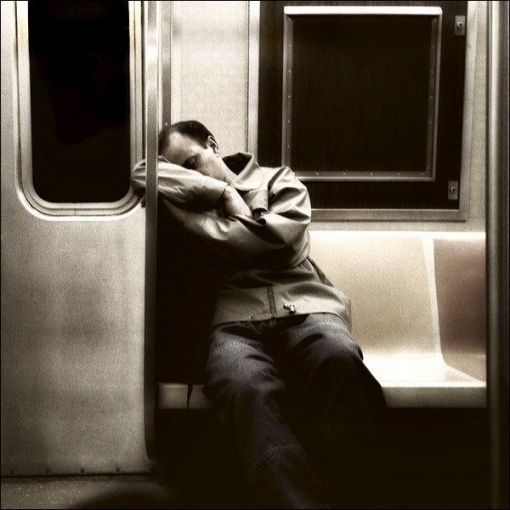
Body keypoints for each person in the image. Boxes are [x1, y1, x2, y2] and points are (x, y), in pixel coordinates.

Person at [132, 120, 386, 509]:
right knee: (242, 385)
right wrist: (221, 192)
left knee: (337, 357)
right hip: (233, 320)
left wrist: (199, 224)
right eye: (181, 172)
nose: (189, 177)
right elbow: (140, 173)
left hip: (304, 305)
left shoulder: (278, 180)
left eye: (193, 163)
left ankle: (353, 495)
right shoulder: (195, 194)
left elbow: (278, 241)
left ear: (213, 145)